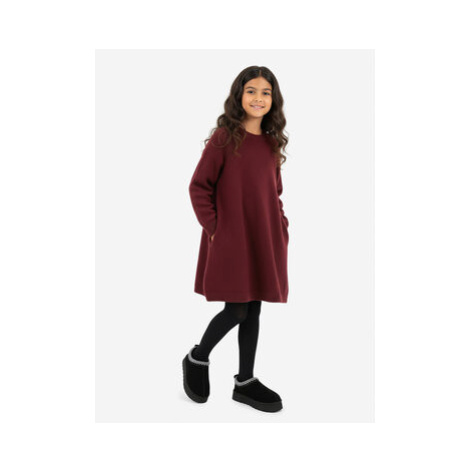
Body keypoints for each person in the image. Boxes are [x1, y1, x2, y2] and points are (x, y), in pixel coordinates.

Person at [182, 65, 290, 413]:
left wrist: (281, 226)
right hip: (232, 239)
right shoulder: (224, 139)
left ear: (273, 100)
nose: (258, 98)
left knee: (254, 307)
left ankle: (245, 380)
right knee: (237, 309)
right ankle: (198, 357)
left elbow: (274, 193)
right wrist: (216, 228)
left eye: (265, 93)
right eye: (251, 91)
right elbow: (199, 187)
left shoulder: (271, 143)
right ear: (239, 96)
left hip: (265, 238)